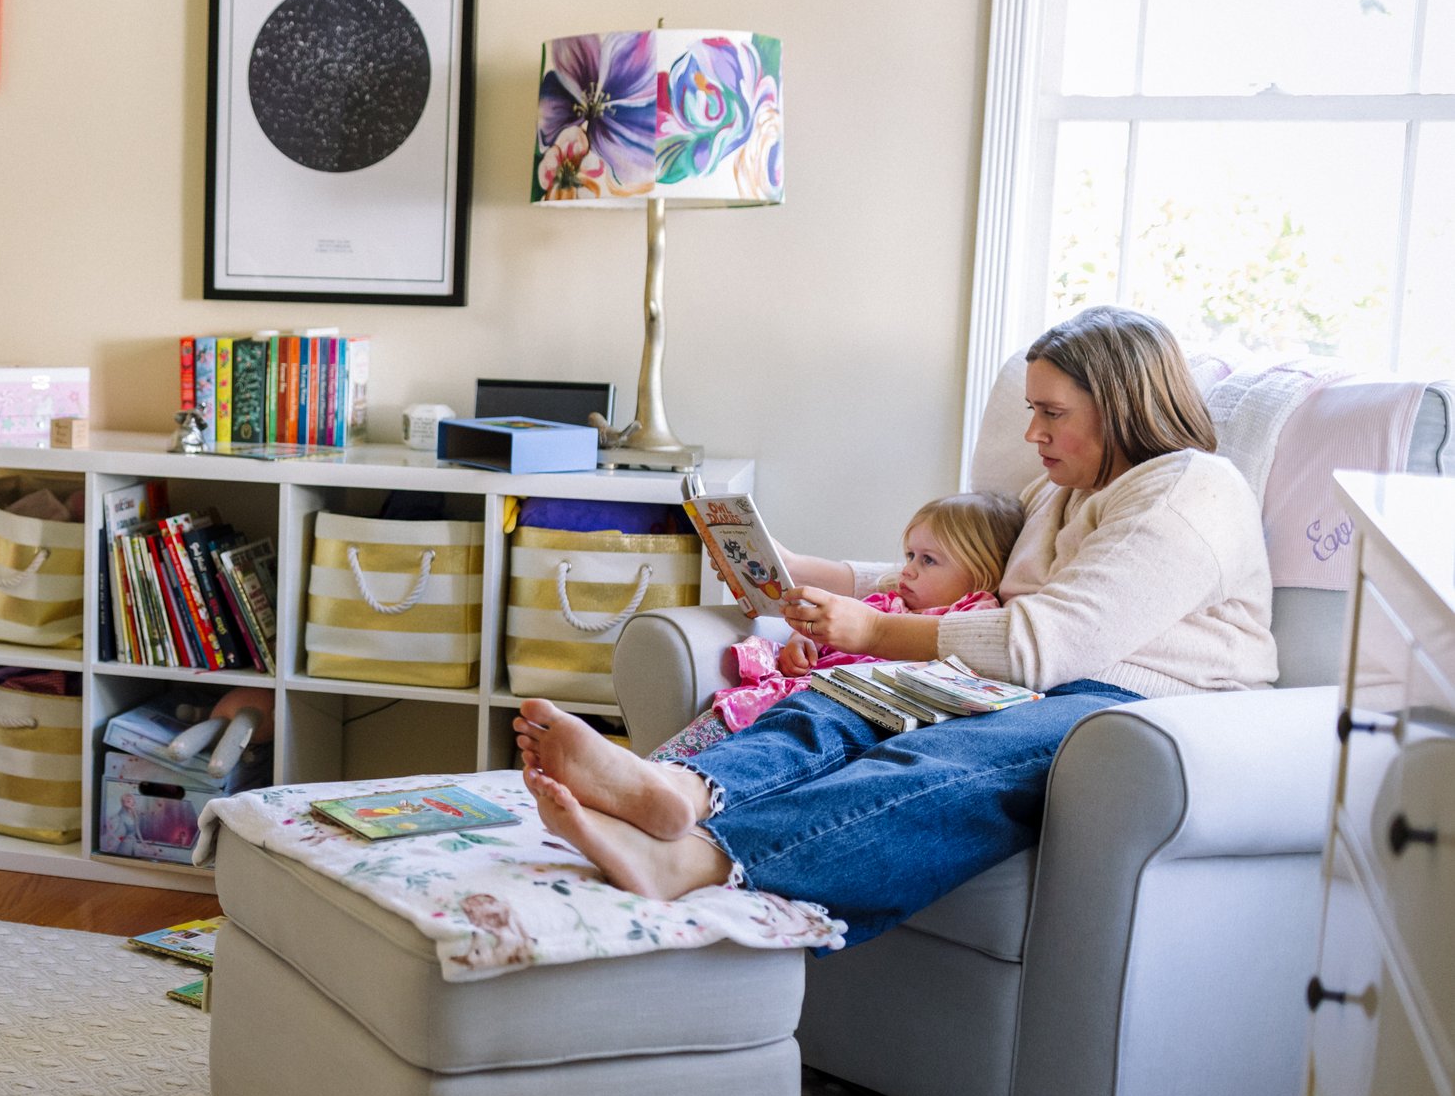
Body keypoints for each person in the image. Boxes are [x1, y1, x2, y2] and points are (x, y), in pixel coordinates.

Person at [517, 305, 1277, 945]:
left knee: (950, 756)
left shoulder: (1190, 490)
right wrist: (794, 568)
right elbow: (966, 579)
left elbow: (1047, 644)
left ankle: (697, 861)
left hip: (1142, 710)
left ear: (1120, 408)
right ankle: (678, 788)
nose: (1032, 435)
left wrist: (875, 633)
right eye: (1031, 412)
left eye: (1052, 414)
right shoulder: (1064, 492)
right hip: (1033, 689)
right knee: (850, 697)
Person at [649, 491, 1024, 762]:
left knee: (758, 745)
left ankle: (670, 782)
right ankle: (657, 771)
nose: (907, 569)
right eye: (910, 554)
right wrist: (801, 640)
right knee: (722, 726)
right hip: (803, 691)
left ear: (981, 573)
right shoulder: (888, 602)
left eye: (928, 560)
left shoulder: (972, 617)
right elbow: (828, 626)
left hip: (856, 712)